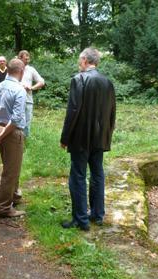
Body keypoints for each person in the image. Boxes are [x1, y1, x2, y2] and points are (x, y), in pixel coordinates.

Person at [60, 48, 116, 231]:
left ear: (84, 60)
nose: (79, 63)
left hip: (81, 137)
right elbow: (112, 112)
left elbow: (73, 111)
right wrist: (108, 133)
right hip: (100, 137)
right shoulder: (107, 82)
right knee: (98, 173)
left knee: (77, 175)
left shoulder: (79, 79)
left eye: (79, 60)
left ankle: (80, 220)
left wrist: (65, 137)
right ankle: (97, 215)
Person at [0, 58, 27, 218]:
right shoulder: (19, 90)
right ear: (21, 71)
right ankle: (4, 207)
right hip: (12, 132)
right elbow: (16, 118)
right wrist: (2, 135)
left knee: (12, 166)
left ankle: (15, 196)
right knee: (11, 171)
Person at [17, 50, 44, 137]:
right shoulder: (14, 69)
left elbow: (41, 82)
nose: (27, 60)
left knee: (27, 124)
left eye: (28, 58)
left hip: (28, 100)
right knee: (16, 123)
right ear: (20, 58)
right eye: (25, 58)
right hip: (16, 100)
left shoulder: (31, 69)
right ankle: (15, 143)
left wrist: (31, 88)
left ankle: (24, 145)